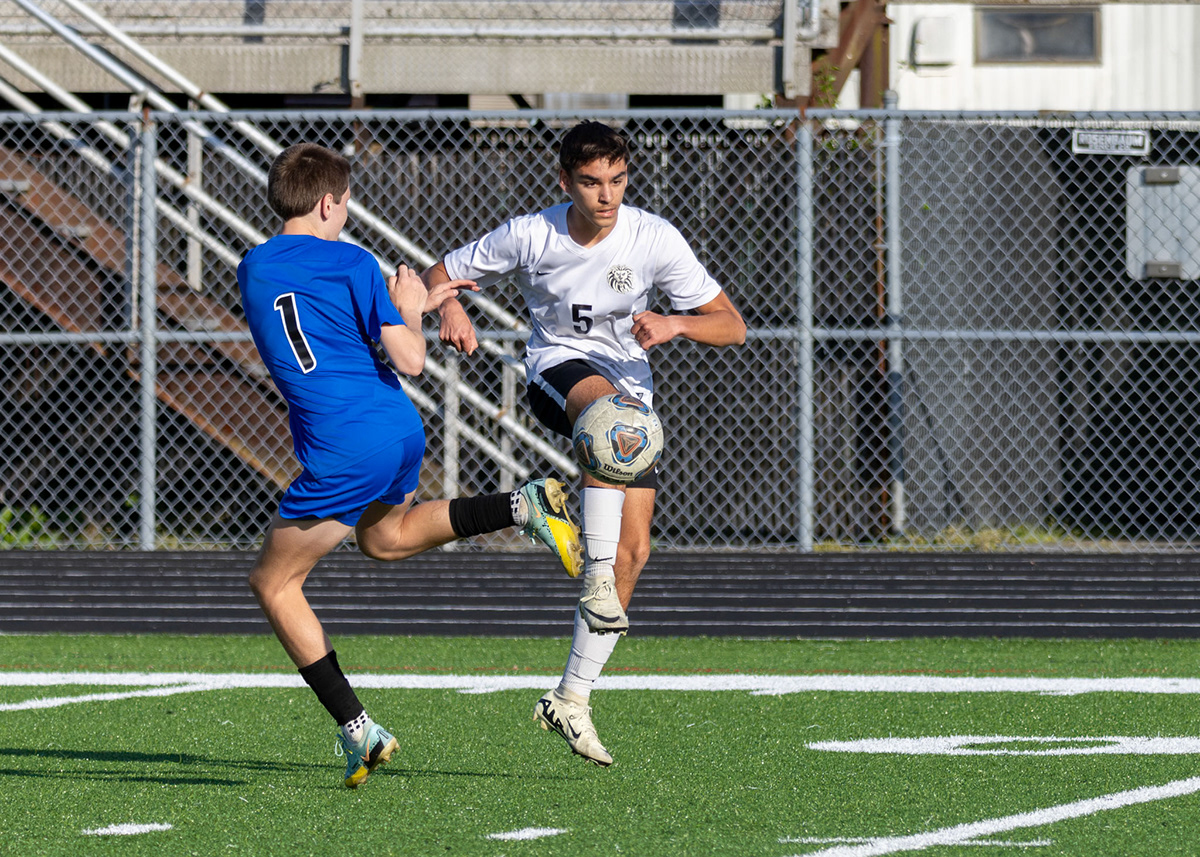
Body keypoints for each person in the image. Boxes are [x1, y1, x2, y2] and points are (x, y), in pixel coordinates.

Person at [237, 142, 582, 788]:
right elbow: (411, 357)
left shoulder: (251, 267)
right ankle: (521, 504)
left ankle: (357, 729)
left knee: (273, 584)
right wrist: (412, 302)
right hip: (393, 427)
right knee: (384, 537)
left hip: (342, 441)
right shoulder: (355, 262)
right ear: (327, 203)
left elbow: (343, 329)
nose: (344, 215)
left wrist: (413, 302)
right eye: (343, 205)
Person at [422, 121, 746, 766]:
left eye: (618, 180)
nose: (607, 195)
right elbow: (441, 272)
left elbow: (732, 326)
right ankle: (592, 576)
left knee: (634, 550)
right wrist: (451, 307)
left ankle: (572, 696)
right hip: (557, 375)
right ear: (564, 180)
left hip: (633, 408)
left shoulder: (654, 237)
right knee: (609, 424)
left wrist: (677, 322)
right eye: (592, 182)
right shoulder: (531, 232)